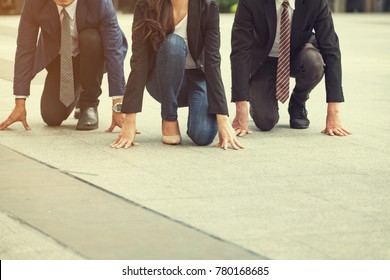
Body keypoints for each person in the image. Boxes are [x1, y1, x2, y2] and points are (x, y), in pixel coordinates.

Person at [111, 0, 242, 149]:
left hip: (196, 78)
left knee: (203, 135)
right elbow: (139, 61)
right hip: (162, 80)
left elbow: (212, 62)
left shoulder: (207, 7)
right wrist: (129, 119)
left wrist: (223, 117)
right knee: (174, 43)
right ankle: (169, 117)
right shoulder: (146, 6)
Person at [0, 0, 127, 131]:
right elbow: (25, 49)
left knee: (90, 38)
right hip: (62, 60)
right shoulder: (34, 3)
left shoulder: (99, 3)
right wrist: (20, 102)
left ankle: (89, 102)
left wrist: (118, 106)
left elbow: (114, 51)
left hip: (93, 55)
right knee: (51, 117)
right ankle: (77, 92)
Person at [230, 0, 351, 137]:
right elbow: (240, 51)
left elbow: (331, 49)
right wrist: (241, 108)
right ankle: (258, 98)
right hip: (263, 60)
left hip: (297, 54)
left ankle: (298, 102)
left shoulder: (316, 2)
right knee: (265, 122)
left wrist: (333, 111)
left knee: (314, 63)